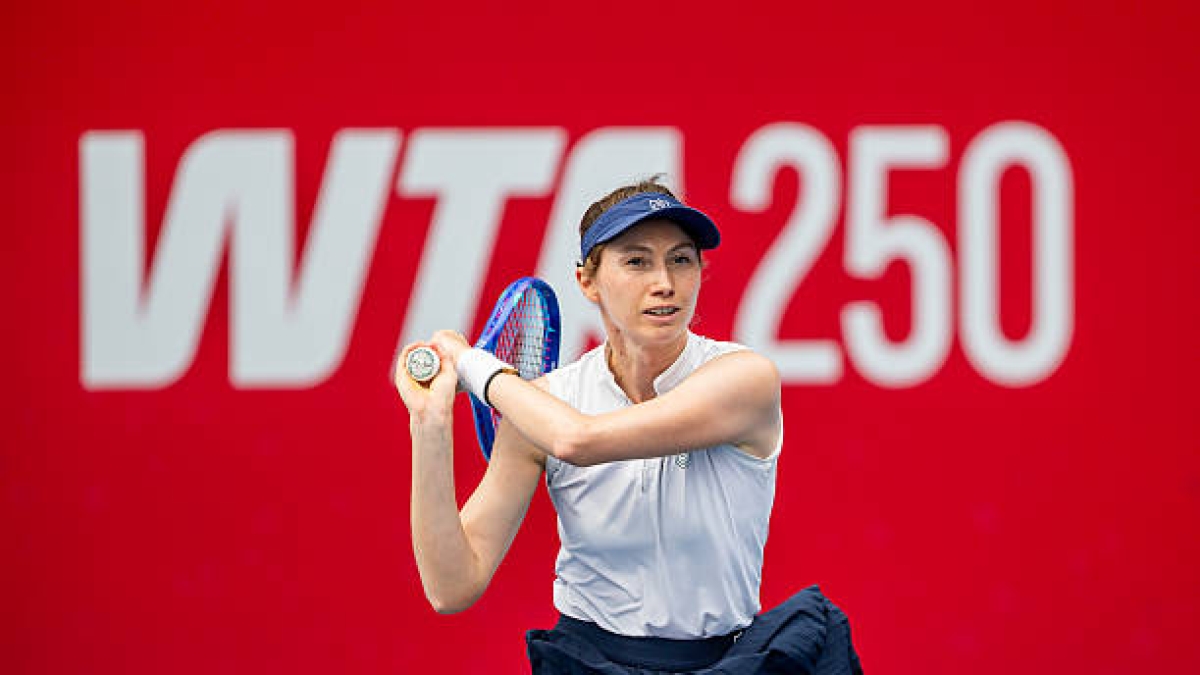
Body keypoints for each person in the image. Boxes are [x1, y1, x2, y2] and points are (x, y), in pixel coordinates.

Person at [394, 179, 862, 674]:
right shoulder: (545, 404)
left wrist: (476, 367)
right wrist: (430, 422)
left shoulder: (746, 379)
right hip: (590, 657)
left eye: (681, 260)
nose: (664, 282)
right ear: (587, 282)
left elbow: (577, 439)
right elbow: (452, 586)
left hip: (723, 660)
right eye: (637, 262)